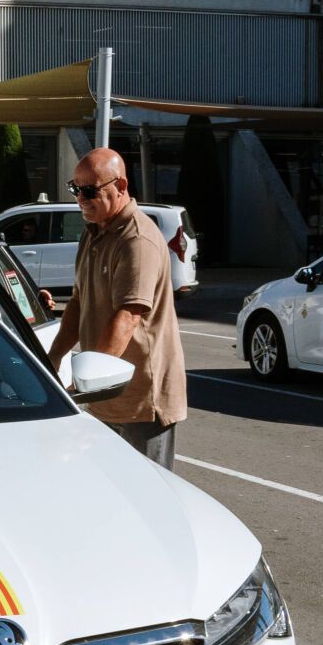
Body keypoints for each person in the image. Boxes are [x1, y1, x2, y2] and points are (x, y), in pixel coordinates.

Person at [45, 148, 187, 468]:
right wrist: (51, 360)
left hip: (141, 400)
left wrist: (90, 379)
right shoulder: (93, 232)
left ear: (120, 186)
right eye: (75, 188)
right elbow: (79, 303)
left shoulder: (137, 240)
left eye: (90, 190)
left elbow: (128, 316)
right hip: (105, 393)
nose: (80, 198)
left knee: (148, 497)